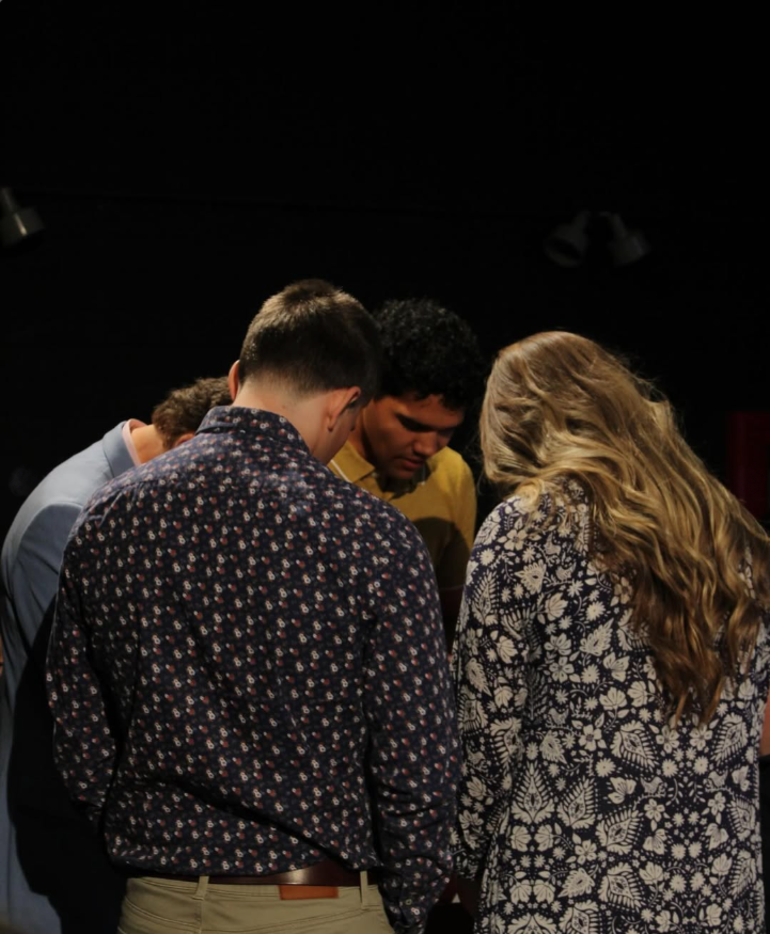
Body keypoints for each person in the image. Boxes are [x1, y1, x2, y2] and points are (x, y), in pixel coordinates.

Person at [46, 280, 459, 934]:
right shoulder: (370, 536)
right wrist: (402, 911)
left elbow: (79, 733)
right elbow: (419, 767)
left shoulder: (109, 514)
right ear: (347, 404)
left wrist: (152, 858)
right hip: (318, 910)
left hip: (159, 906)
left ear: (237, 377)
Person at [452, 331, 770, 933]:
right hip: (718, 894)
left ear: (517, 427)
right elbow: (755, 722)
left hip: (562, 895)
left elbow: (484, 734)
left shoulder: (526, 528)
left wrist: (462, 865)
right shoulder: (729, 529)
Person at [0, 376, 231, 934]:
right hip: (59, 874)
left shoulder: (129, 497)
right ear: (186, 450)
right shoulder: (71, 516)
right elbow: (92, 712)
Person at [329, 298, 487, 649]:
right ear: (367, 391)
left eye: (446, 431)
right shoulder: (309, 465)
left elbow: (450, 617)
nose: (428, 447)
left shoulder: (451, 474)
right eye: (412, 425)